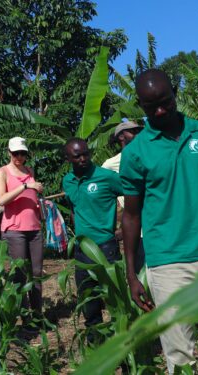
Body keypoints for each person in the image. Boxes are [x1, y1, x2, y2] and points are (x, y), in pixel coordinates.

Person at [120, 69, 198, 373]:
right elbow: (130, 216)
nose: (159, 111)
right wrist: (132, 273)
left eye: (165, 102)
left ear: (174, 92)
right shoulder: (135, 152)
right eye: (150, 107)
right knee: (181, 355)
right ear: (140, 106)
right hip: (168, 263)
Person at [62, 138, 123, 344]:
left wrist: (124, 228)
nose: (83, 159)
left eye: (85, 153)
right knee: (89, 299)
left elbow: (135, 195)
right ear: (68, 158)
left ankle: (123, 343)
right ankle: (95, 343)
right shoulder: (68, 181)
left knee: (116, 299)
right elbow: (74, 207)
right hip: (82, 250)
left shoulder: (106, 177)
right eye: (77, 156)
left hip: (107, 247)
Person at [0, 137, 44, 316]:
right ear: (9, 152)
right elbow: (0, 200)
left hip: (34, 228)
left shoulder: (29, 170)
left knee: (37, 273)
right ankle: (24, 316)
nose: (19, 157)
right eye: (16, 153)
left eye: (23, 153)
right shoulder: (3, 172)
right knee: (20, 274)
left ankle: (38, 314)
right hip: (15, 229)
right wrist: (25, 186)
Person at [102, 120, 146, 273]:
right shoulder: (110, 164)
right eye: (132, 131)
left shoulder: (146, 156)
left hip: (152, 224)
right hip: (134, 227)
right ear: (121, 136)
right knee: (138, 270)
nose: (137, 134)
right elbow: (105, 193)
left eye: (138, 131)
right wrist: (116, 223)